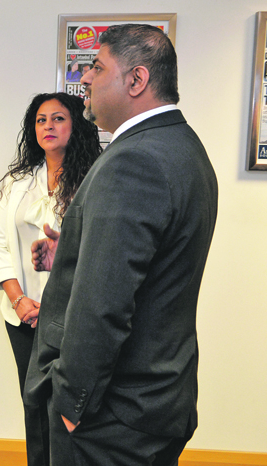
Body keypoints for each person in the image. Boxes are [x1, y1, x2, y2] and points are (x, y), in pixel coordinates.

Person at [25, 24, 218, 465]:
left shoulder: (134, 160)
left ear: (136, 80)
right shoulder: (183, 146)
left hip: (114, 417)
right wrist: (74, 255)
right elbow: (153, 262)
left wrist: (72, 405)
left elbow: (103, 306)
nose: (85, 79)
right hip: (160, 397)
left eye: (96, 66)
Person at [0, 92, 100, 466]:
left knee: (70, 408)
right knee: (33, 404)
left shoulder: (95, 182)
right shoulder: (19, 183)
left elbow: (101, 252)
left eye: (58, 118)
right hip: (23, 317)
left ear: (77, 125)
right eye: (40, 120)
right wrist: (19, 300)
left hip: (70, 319)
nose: (48, 126)